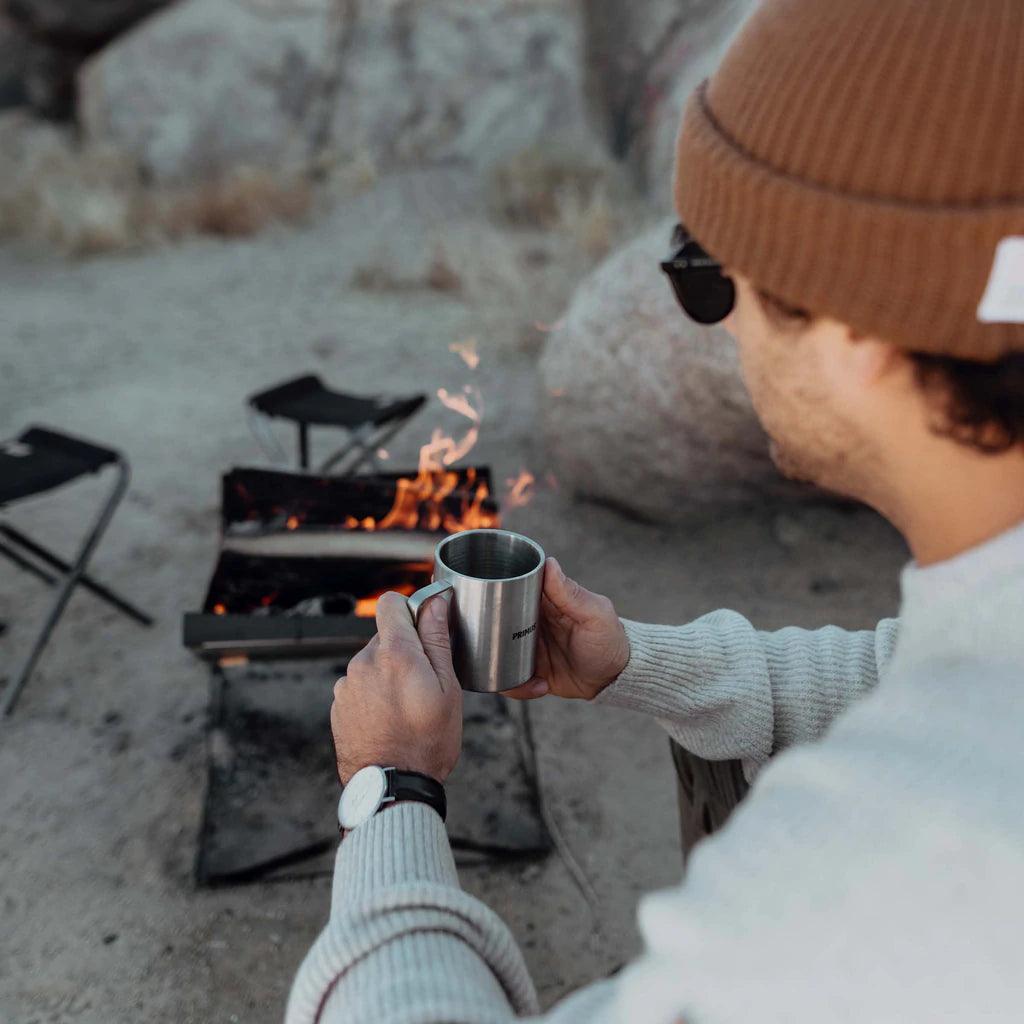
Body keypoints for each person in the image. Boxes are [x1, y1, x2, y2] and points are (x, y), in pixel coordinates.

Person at [289, 1, 1024, 1020]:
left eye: (708, 279)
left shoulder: (873, 880)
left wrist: (390, 787)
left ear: (863, 324)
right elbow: (921, 674)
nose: (720, 335)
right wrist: (641, 659)